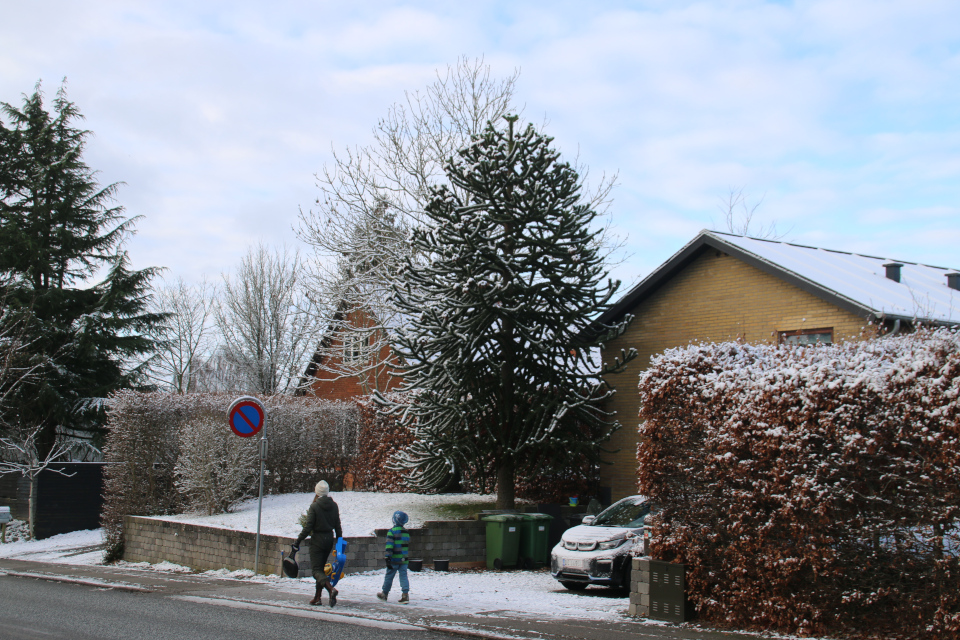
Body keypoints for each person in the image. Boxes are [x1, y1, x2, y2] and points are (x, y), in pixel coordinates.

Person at [293, 480, 342, 607]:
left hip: (317, 540)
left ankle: (331, 589)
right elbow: (337, 525)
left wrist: (298, 541)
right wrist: (340, 541)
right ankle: (317, 597)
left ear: (316, 491)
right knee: (321, 569)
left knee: (316, 571)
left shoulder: (314, 506)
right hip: (329, 539)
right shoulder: (334, 505)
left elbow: (308, 527)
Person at [377, 510, 410, 604]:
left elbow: (389, 546)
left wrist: (388, 557)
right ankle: (405, 595)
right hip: (404, 559)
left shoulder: (391, 532)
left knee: (389, 576)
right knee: (403, 576)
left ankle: (384, 594)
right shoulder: (406, 532)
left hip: (394, 559)